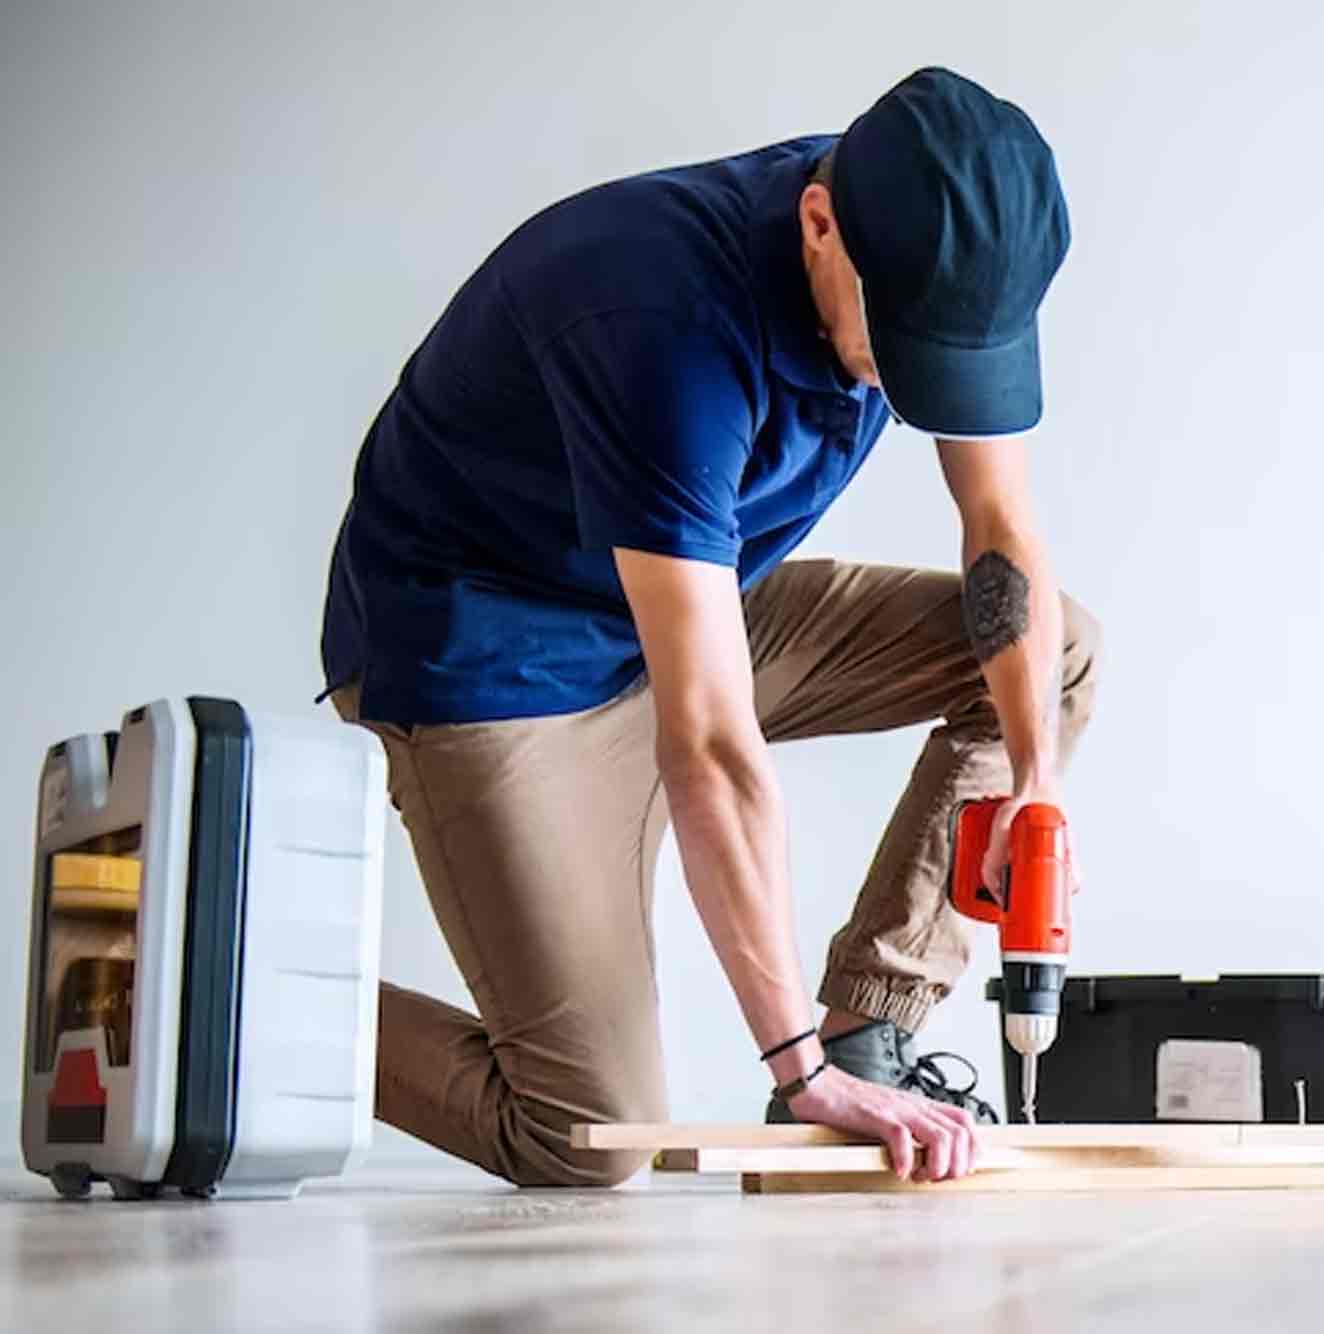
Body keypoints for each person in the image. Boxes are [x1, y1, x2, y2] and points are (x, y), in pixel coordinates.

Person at [318, 67, 1097, 1187]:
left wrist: (1032, 782)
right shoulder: (659, 321)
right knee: (584, 1134)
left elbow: (998, 525)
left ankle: (865, 1031)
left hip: (687, 598)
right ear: (817, 227)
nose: (917, 385)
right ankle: (229, 978)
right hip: (494, 660)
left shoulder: (925, 229)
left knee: (1050, 650)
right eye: (907, 353)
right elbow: (713, 746)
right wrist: (793, 1076)